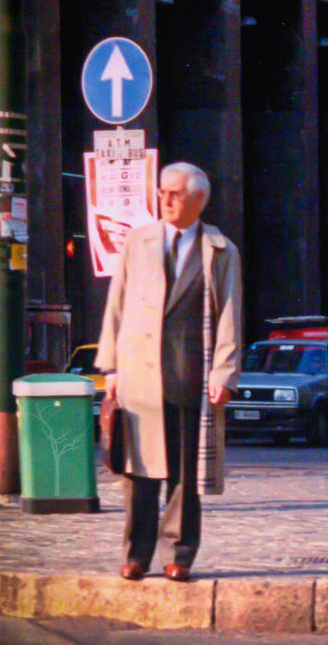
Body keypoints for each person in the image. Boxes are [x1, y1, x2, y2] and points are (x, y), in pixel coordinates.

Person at [96, 162, 242, 583]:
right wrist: (110, 367)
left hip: (189, 373)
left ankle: (179, 554)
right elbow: (116, 303)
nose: (166, 199)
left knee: (184, 472)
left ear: (200, 199)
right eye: (162, 192)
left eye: (176, 193)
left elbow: (230, 313)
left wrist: (224, 372)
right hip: (138, 374)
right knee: (138, 471)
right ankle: (136, 555)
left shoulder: (220, 250)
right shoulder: (138, 241)